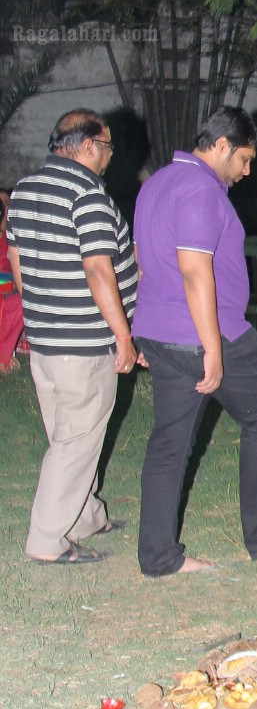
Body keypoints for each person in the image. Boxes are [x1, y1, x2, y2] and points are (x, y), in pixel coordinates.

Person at [132, 106, 257, 577]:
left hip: (159, 332)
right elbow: (195, 272)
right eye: (244, 159)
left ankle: (158, 558)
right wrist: (211, 348)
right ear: (221, 146)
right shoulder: (198, 188)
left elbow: (139, 259)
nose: (246, 171)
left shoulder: (156, 183)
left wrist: (143, 327)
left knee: (169, 444)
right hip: (207, 335)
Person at [5, 111, 139, 563]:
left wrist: (41, 309)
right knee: (76, 441)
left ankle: (85, 516)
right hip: (83, 344)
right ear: (86, 147)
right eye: (107, 146)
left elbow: (15, 255)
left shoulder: (24, 189)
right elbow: (99, 268)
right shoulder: (88, 195)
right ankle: (46, 542)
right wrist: (123, 335)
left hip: (45, 342)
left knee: (68, 435)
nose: (108, 156)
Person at [0, 187, 28, 372]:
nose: (5, 208)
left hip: (10, 293)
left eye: (7, 203)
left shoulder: (13, 238)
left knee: (19, 302)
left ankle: (3, 357)